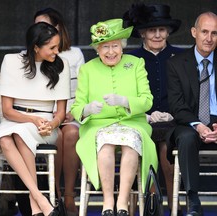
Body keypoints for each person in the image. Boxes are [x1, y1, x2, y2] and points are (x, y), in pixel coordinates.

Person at [71, 18, 158, 216]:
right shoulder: (87, 69)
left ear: (122, 46)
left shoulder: (136, 63)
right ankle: (108, 199)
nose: (111, 51)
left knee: (130, 142)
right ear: (97, 50)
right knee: (105, 144)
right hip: (98, 126)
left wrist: (125, 101)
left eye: (115, 46)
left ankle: (122, 201)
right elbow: (77, 107)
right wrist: (87, 109)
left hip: (132, 123)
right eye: (105, 47)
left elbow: (147, 101)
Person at [0, 22, 71, 216]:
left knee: (17, 135)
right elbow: (7, 111)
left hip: (46, 124)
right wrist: (32, 120)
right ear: (36, 46)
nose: (57, 51)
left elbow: (60, 113)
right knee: (4, 137)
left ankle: (34, 202)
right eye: (52, 47)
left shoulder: (62, 65)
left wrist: (51, 124)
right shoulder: (11, 61)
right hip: (16, 119)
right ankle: (39, 199)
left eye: (57, 46)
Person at [123, 3, 184, 215]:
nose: (157, 35)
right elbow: (126, 94)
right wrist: (145, 115)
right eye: (152, 30)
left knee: (167, 151)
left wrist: (173, 113)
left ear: (168, 32)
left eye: (161, 30)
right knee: (136, 148)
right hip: (141, 120)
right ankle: (136, 208)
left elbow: (189, 94)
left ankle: (173, 206)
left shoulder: (182, 57)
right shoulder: (129, 59)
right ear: (142, 33)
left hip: (173, 120)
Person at [34, 8, 85, 216]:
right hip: (43, 115)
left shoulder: (74, 54)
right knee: (58, 135)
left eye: (45, 26)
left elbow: (84, 88)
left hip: (71, 112)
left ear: (58, 27)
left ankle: (70, 195)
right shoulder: (30, 54)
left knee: (71, 133)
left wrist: (74, 110)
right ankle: (54, 198)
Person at [166, 12, 217, 216]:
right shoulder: (176, 63)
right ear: (194, 32)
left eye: (215, 33)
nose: (209, 38)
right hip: (189, 121)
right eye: (204, 32)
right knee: (186, 139)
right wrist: (199, 125)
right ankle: (193, 201)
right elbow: (176, 106)